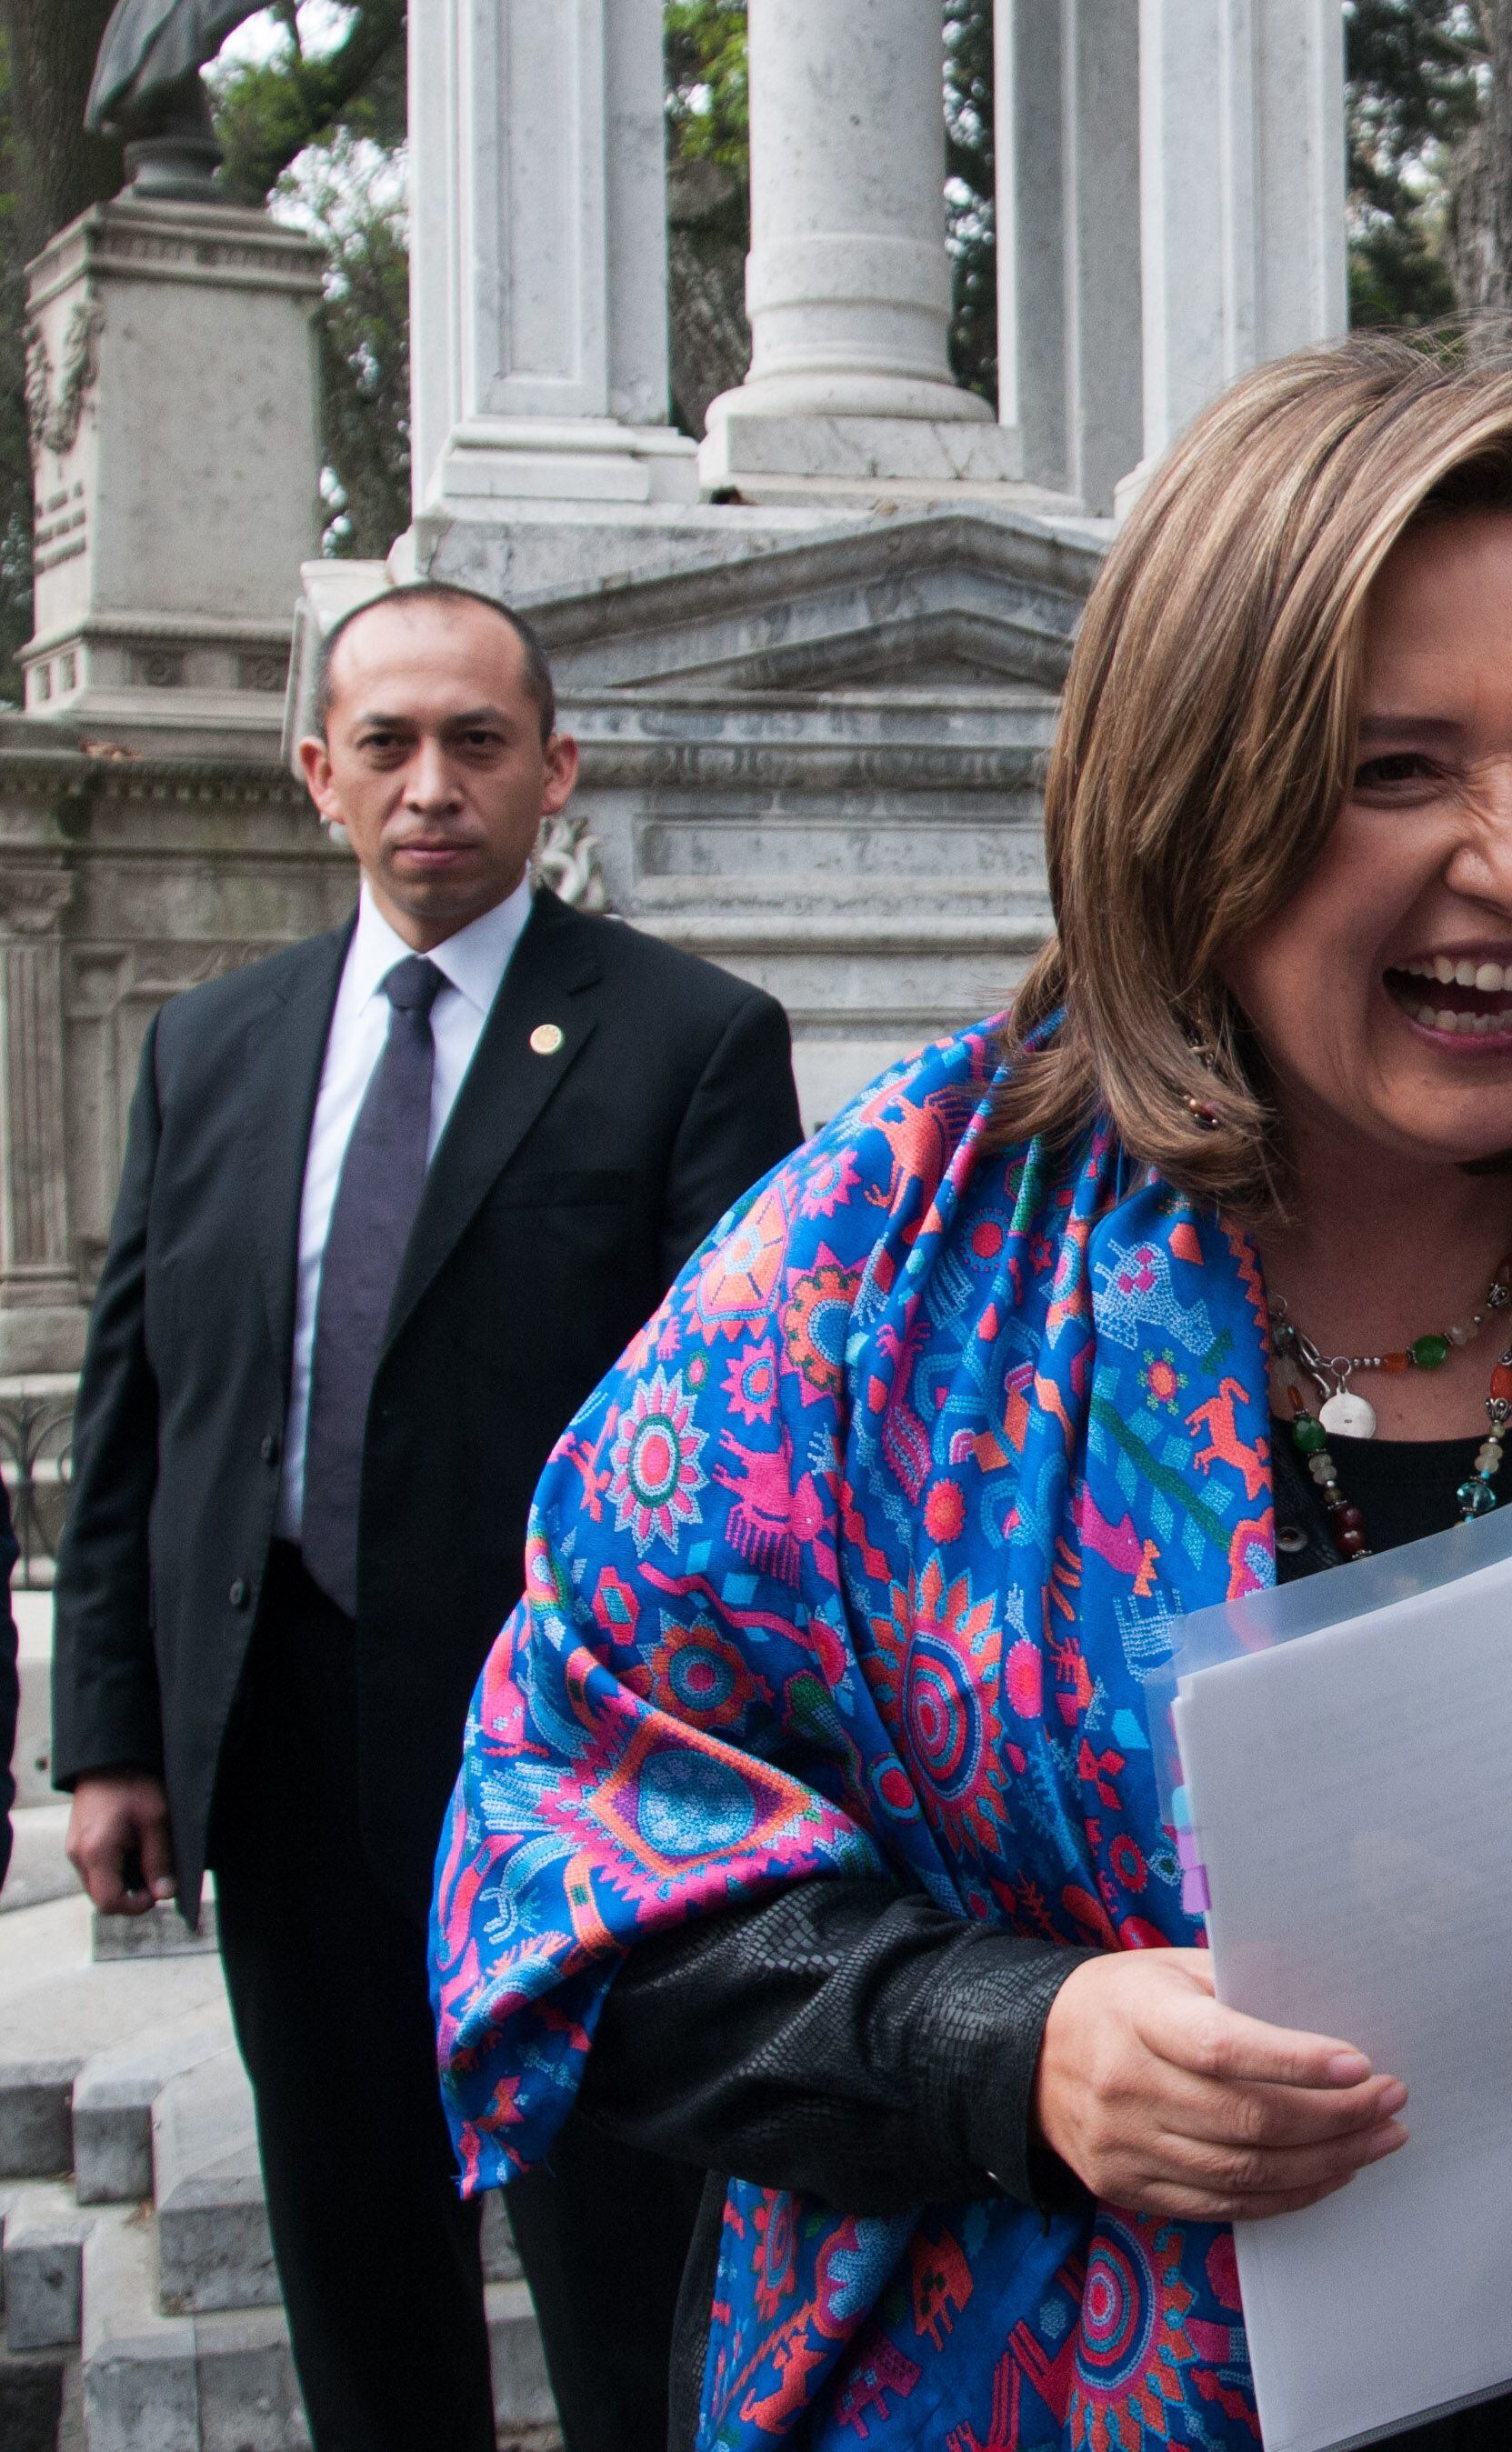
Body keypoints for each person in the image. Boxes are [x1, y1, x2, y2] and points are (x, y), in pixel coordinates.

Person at [426, 331, 1512, 2452]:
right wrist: (1018, 2042)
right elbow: (565, 1867)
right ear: (1196, 799)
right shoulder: (858, 1303)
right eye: (1396, 767)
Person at [52, 580, 803, 2452]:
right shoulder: (209, 1050)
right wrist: (114, 1734)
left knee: (631, 2276)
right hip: (288, 1751)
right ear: (318, 772)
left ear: (557, 769)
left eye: (478, 742)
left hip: (580, 1772)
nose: (431, 785)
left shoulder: (690, 1040)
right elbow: (144, 1399)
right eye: (386, 742)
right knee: (359, 2260)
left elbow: (748, 1432)